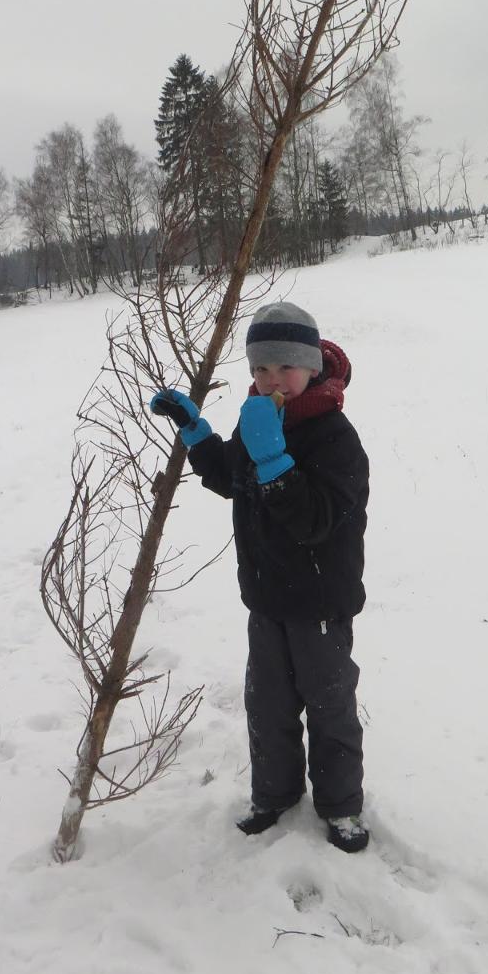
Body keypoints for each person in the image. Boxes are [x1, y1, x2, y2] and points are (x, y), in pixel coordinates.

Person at [151, 301, 370, 853]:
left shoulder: (335, 437)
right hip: (267, 599)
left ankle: (341, 806)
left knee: (330, 707)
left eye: (285, 368)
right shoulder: (257, 420)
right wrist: (197, 434)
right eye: (260, 369)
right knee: (267, 705)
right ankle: (274, 795)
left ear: (311, 367)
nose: (272, 380)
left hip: (320, 603)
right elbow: (231, 477)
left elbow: (317, 521)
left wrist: (276, 461)